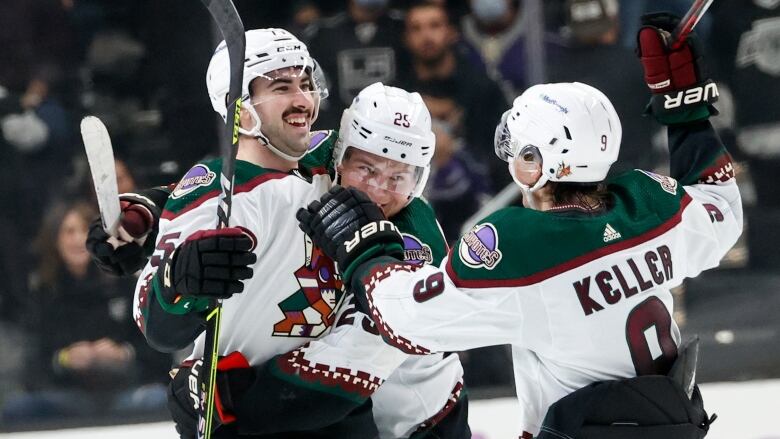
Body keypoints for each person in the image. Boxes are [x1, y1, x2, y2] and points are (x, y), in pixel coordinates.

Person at [297, 15, 742, 438]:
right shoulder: (652, 204)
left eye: (521, 150)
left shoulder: (521, 248)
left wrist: (366, 252)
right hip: (674, 424)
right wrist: (688, 112)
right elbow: (720, 204)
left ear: (534, 166)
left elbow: (407, 322)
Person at [95, 28, 467, 437]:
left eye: (306, 84)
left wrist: (230, 399)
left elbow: (344, 371)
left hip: (418, 422)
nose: (380, 189)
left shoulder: (410, 239)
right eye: (282, 85)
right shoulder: (319, 160)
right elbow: (159, 322)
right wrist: (150, 222)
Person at [1, 200, 170, 425]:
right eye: (69, 232)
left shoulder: (126, 286)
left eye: (84, 231)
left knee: (160, 398)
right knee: (19, 408)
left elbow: (160, 351)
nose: (78, 240)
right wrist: (65, 358)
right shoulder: (43, 296)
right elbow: (33, 361)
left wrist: (124, 354)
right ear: (55, 240)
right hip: (68, 399)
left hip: (127, 395)